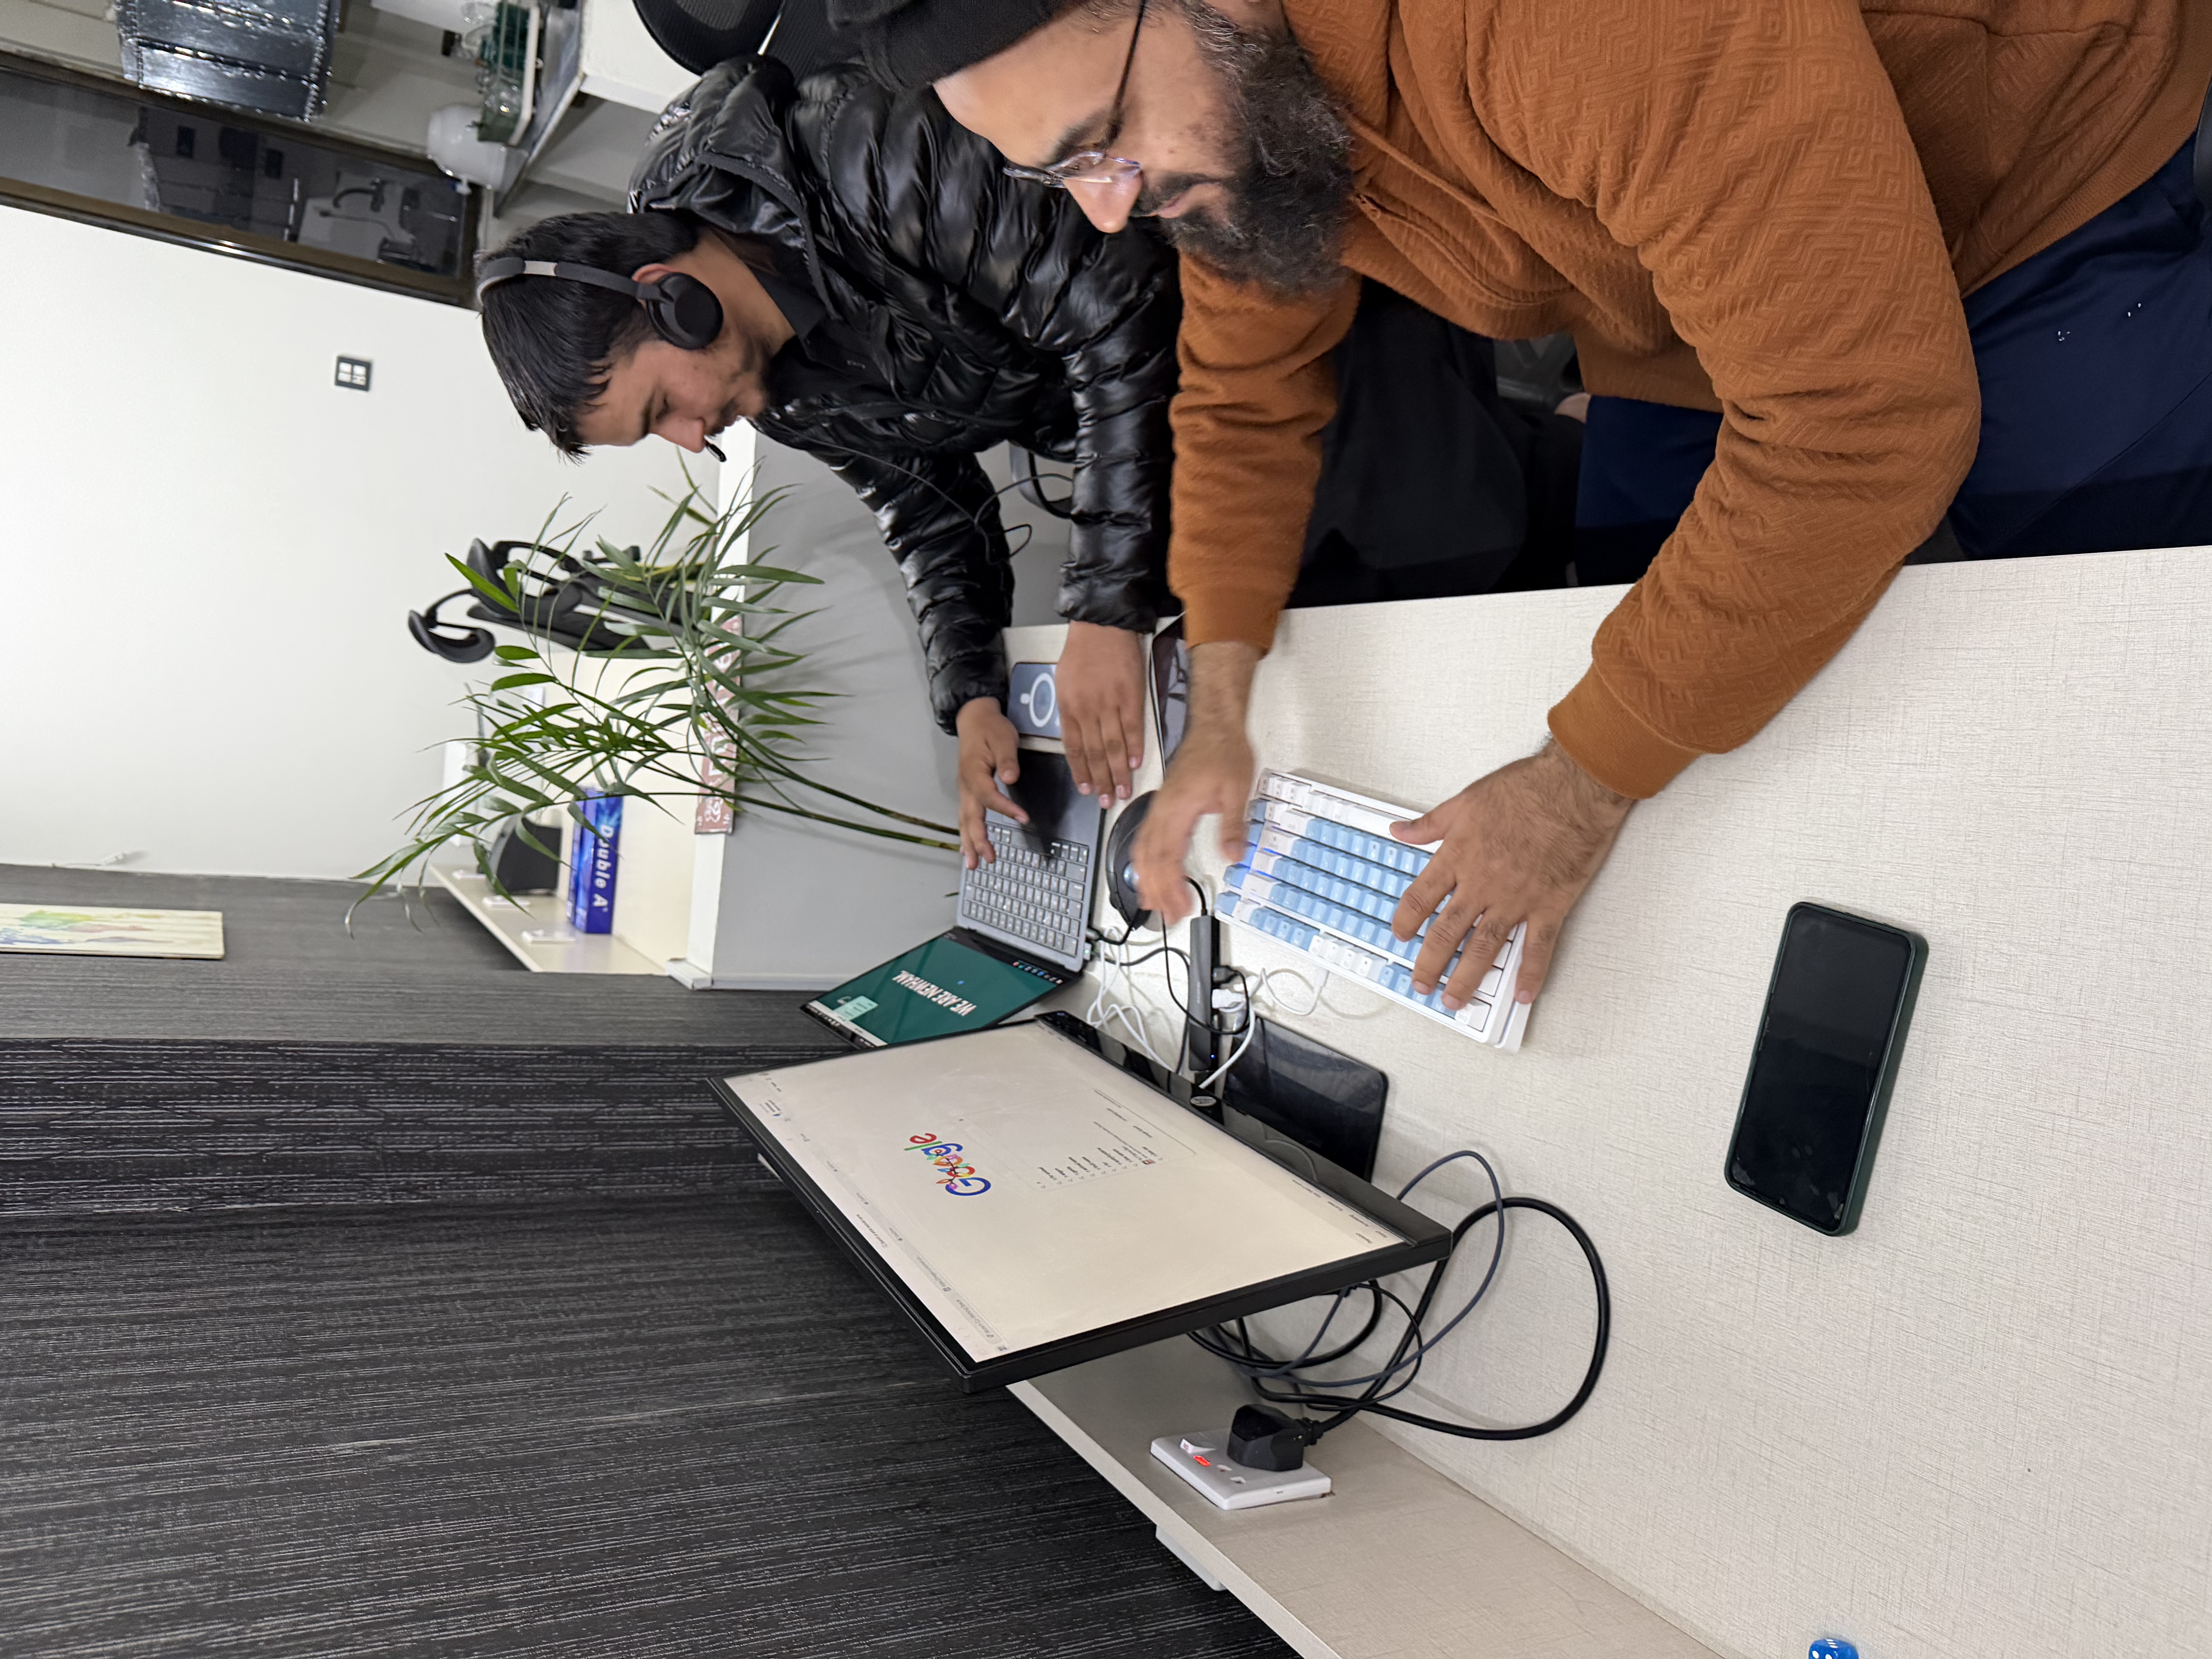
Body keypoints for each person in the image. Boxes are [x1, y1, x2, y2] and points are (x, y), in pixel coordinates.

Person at [839, 0, 2212, 1013]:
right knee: (1702, 679)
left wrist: (1575, 789)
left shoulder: (1557, 21)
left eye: (1103, 141)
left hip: (2031, 181)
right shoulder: (1235, 92)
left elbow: (1863, 418)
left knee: (2114, 679)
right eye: (1058, 173)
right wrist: (1226, 704)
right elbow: (1245, 397)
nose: (1103, 214)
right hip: (1688, 308)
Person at [477, 55, 1178, 867]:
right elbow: (926, 506)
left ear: (672, 298)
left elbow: (1117, 309)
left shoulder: (863, 159)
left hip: (1235, 314)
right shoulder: (775, 392)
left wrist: (1103, 609)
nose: (693, 438)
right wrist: (975, 695)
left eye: (661, 409)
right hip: (1154, 446)